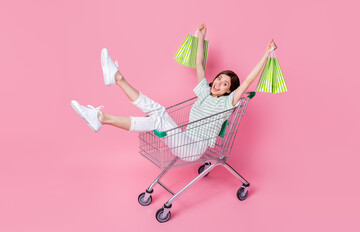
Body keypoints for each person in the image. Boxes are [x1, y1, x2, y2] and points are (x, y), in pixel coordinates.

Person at [71, 24, 276, 161]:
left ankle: (117, 81)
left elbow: (249, 80)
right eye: (219, 79)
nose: (219, 83)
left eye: (224, 84)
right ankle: (102, 114)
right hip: (184, 140)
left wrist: (266, 55)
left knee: (159, 114)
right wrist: (201, 37)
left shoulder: (227, 103)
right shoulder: (204, 93)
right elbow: (199, 64)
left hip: (194, 148)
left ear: (229, 90)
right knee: (156, 117)